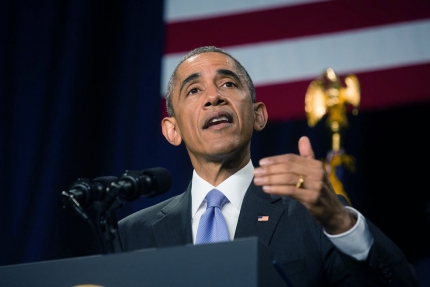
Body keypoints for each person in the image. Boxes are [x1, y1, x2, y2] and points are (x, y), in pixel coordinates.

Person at [113, 46, 420, 286]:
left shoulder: (312, 215)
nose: (214, 97)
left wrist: (340, 223)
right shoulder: (134, 235)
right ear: (172, 130)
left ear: (258, 115)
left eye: (228, 84)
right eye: (194, 90)